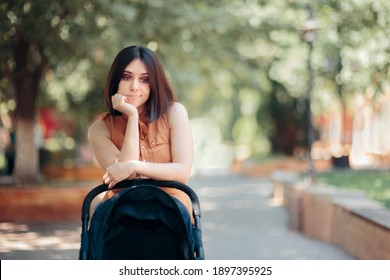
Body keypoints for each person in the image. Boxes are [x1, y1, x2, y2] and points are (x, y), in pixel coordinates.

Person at [88, 45, 194, 220]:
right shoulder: (99, 130)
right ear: (116, 80)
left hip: (171, 214)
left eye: (144, 79)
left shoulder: (175, 113)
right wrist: (132, 116)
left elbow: (182, 173)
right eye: (127, 77)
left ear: (154, 83)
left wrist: (135, 166)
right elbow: (125, 178)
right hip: (122, 217)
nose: (135, 87)